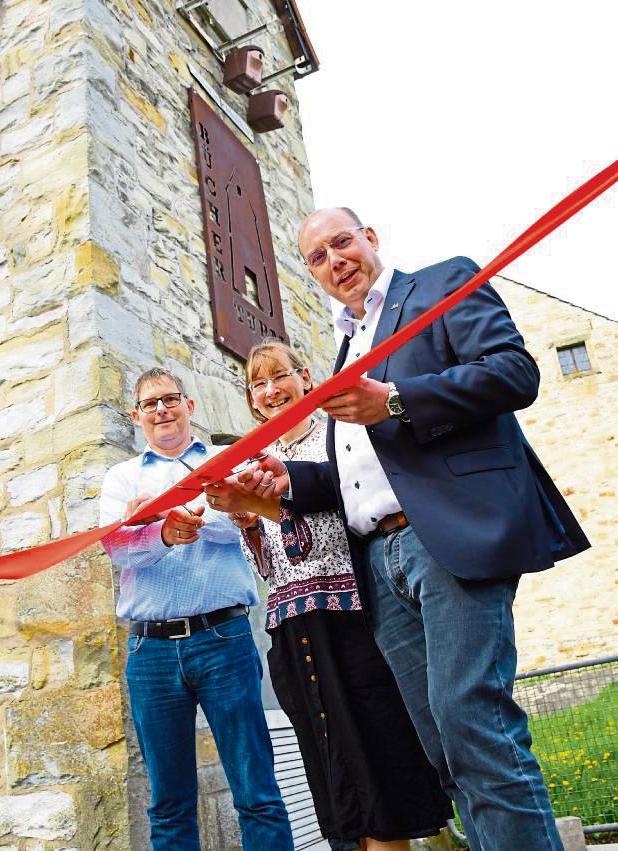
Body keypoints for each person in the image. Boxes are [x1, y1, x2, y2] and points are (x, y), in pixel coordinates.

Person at [234, 208, 591, 851]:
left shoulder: (439, 285)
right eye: (316, 257)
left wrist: (394, 400)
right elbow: (355, 475)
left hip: (444, 541)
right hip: (377, 561)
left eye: (340, 242)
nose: (334, 260)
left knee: (471, 722)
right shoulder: (345, 349)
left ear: (370, 238)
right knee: (439, 745)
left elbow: (515, 372)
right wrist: (283, 484)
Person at [206, 340, 452, 851]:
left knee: (378, 755)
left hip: (352, 615)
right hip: (292, 626)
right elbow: (271, 566)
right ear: (252, 399)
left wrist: (271, 507)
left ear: (306, 378)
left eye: (280, 377)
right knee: (329, 765)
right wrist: (250, 523)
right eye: (259, 384)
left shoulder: (337, 439)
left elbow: (350, 520)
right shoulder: (252, 459)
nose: (271, 391)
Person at [99, 367, 294, 851]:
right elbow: (117, 549)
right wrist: (162, 533)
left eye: (170, 399)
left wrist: (192, 519)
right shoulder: (120, 478)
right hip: (151, 651)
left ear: (190, 406)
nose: (161, 409)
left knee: (257, 791)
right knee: (168, 802)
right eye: (150, 403)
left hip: (223, 639)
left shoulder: (229, 461)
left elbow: (253, 526)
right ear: (136, 416)